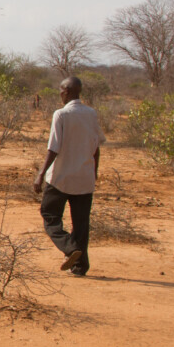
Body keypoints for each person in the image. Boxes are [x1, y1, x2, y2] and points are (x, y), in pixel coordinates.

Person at [33, 77, 105, 276]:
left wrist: (40, 175)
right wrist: (94, 171)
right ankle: (80, 266)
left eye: (60, 90)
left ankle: (70, 248)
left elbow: (53, 148)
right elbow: (96, 147)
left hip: (61, 177)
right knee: (81, 223)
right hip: (84, 177)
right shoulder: (91, 114)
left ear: (66, 91)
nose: (59, 93)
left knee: (49, 215)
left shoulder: (61, 114)